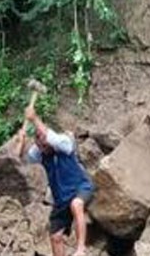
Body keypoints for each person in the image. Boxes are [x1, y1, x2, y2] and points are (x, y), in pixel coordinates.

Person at [15, 91, 94, 256]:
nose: (42, 145)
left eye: (43, 139)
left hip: (81, 187)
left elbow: (51, 138)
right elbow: (18, 162)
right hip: (61, 200)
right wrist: (21, 143)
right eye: (38, 142)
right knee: (55, 236)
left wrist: (34, 118)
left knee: (76, 205)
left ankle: (81, 249)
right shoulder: (39, 152)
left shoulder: (63, 143)